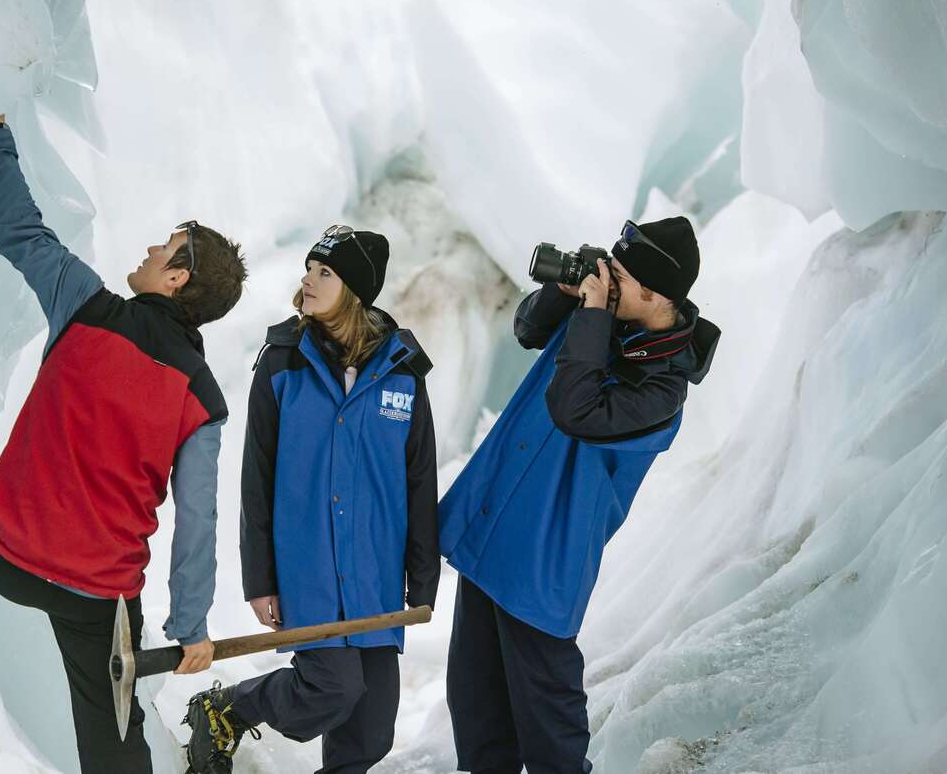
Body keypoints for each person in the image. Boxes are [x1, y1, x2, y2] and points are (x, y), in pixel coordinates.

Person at [0, 114, 248, 773]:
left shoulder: (86, 304)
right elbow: (197, 520)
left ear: (177, 278)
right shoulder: (203, 398)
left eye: (164, 248)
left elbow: (18, 228)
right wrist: (192, 630)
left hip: (7, 548)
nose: (149, 251)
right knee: (115, 738)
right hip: (100, 600)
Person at [439, 217, 721, 774]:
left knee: (551, 730)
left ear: (650, 292)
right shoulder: (605, 318)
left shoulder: (662, 390)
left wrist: (592, 315)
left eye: (617, 277)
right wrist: (562, 294)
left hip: (546, 561)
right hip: (494, 534)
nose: (606, 284)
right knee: (477, 710)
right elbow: (526, 329)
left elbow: (575, 410)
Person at [182, 225, 440, 774]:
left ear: (356, 289)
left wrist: (423, 578)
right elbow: (258, 477)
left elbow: (420, 481)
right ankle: (226, 710)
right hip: (310, 568)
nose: (308, 280)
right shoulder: (283, 363)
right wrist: (262, 578)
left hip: (376, 574)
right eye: (309, 268)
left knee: (372, 731)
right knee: (332, 689)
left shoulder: (403, 372)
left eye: (325, 272)